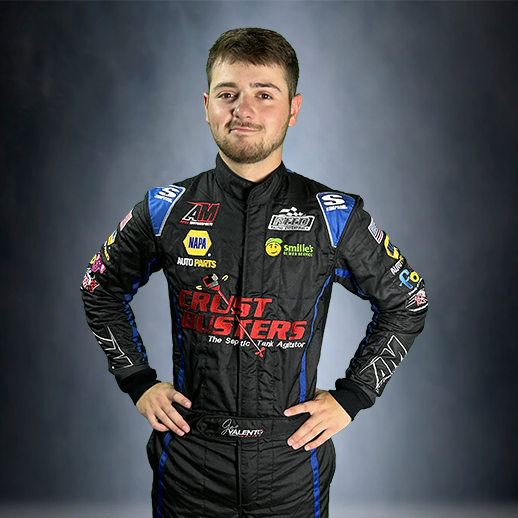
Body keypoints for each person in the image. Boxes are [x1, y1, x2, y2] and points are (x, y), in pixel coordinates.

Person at [81, 27, 428, 518]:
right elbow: (99, 287)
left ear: (293, 109)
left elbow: (409, 301)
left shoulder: (332, 215)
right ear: (207, 106)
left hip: (291, 464)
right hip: (190, 461)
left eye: (264, 94)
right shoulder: (166, 210)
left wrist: (353, 396)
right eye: (228, 94)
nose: (243, 109)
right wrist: (137, 380)